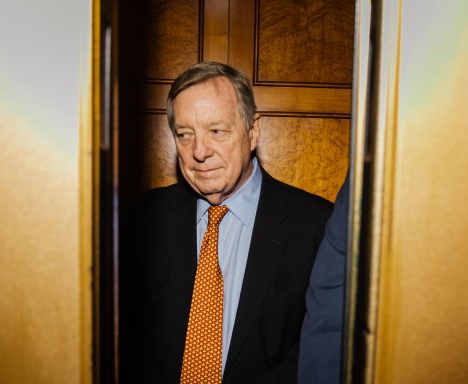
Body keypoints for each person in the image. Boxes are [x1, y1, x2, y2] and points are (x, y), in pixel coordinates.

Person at [119, 62, 333, 383]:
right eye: (184, 135)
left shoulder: (317, 226)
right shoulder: (142, 219)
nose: (199, 152)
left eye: (216, 131)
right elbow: (125, 334)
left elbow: (321, 345)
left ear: (253, 131)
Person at [297, 176, 348, 383]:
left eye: (219, 139)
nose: (200, 152)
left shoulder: (317, 218)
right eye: (184, 140)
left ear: (254, 140)